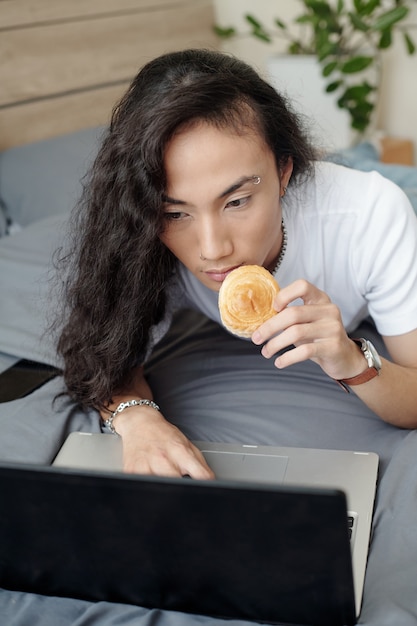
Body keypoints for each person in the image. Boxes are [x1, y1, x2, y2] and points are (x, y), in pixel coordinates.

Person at [55, 48, 417, 478]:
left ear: (284, 170)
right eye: (177, 212)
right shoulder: (143, 229)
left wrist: (354, 360)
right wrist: (138, 420)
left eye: (237, 200)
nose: (212, 250)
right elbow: (100, 355)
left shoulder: (370, 215)